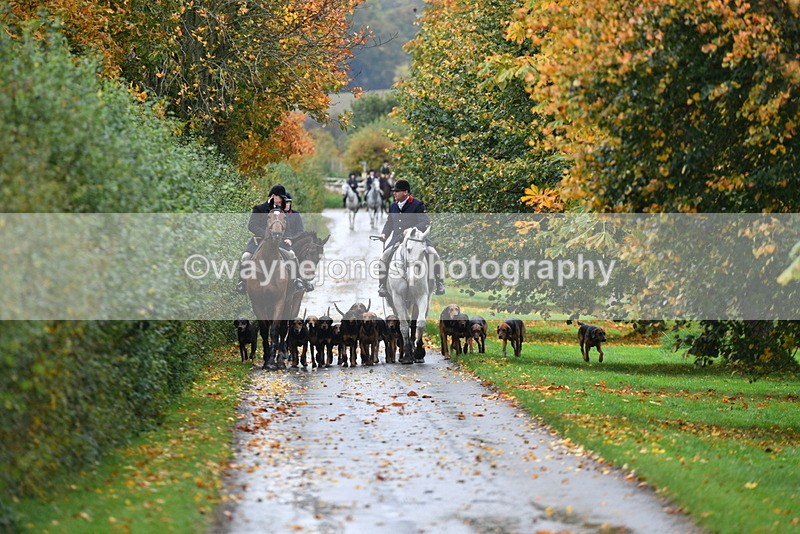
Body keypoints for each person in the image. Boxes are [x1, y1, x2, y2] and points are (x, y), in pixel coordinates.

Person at [236, 184, 314, 294]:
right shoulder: (259, 208)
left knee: (292, 255)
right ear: (273, 196)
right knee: (246, 257)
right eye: (280, 197)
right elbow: (252, 225)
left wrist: (288, 238)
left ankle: (296, 280)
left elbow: (287, 228)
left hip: (279, 241)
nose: (282, 200)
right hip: (259, 240)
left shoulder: (281, 211)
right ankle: (242, 283)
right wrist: (265, 234)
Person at [376, 179, 445, 297]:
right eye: (394, 191)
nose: (394, 193)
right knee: (384, 257)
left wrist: (411, 229)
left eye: (397, 191)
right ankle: (382, 285)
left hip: (417, 240)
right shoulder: (393, 206)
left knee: (433, 254)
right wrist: (384, 234)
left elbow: (424, 222)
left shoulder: (417, 204)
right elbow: (389, 223)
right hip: (398, 240)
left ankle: (439, 282)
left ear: (406, 192)